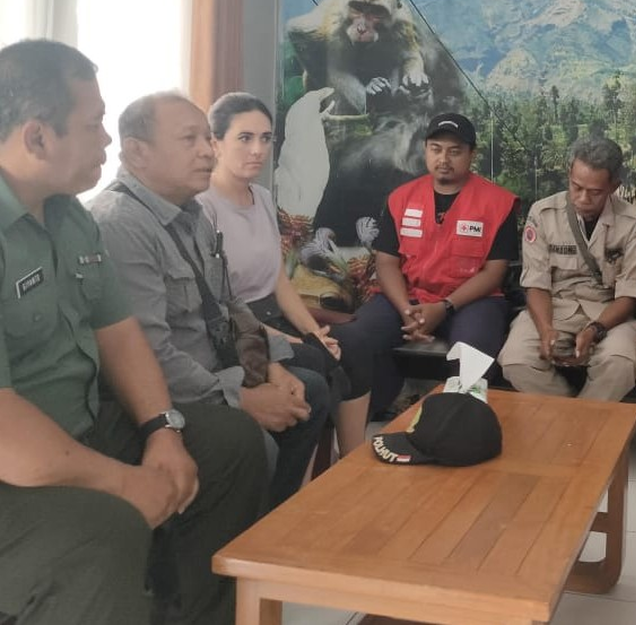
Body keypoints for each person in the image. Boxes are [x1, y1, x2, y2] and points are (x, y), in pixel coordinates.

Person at [0, 40, 267, 625]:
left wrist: (163, 432)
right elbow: (8, 436)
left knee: (229, 444)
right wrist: (124, 482)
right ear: (38, 137)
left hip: (85, 425)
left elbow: (120, 333)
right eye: (94, 125)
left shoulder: (70, 217)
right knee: (108, 526)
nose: (106, 141)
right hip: (15, 465)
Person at [89, 92, 330, 508]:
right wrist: (243, 398)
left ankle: (267, 524)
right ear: (137, 152)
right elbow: (149, 354)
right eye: (190, 140)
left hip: (215, 367)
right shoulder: (119, 225)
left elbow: (229, 304)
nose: (207, 152)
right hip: (170, 391)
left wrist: (271, 366)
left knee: (309, 391)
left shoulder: (190, 213)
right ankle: (235, 548)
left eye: (207, 139)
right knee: (253, 442)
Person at [199, 92, 374, 456]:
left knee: (354, 345)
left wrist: (312, 331)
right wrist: (292, 341)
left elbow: (279, 280)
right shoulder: (203, 207)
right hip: (237, 326)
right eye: (244, 138)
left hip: (274, 314)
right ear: (215, 143)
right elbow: (219, 306)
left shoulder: (263, 197)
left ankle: (352, 461)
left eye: (266, 139)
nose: (258, 150)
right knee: (315, 362)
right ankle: (303, 485)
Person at [358, 113, 520, 416]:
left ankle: (458, 425)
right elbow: (387, 262)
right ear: (425, 149)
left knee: (473, 350)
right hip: (407, 298)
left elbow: (494, 272)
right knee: (360, 335)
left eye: (455, 151)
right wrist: (407, 310)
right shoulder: (401, 198)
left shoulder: (497, 203)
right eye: (436, 148)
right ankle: (371, 413)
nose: (444, 158)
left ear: (472, 154)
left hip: (473, 300)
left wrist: (443, 308)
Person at [498, 136, 636, 399]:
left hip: (608, 313)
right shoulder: (543, 213)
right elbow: (536, 284)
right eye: (576, 186)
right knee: (515, 360)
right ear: (569, 174)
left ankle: (577, 426)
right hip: (553, 309)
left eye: (595, 192)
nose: (582, 198)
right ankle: (573, 421)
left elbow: (630, 296)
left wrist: (595, 330)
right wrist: (546, 330)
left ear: (614, 186)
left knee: (620, 363)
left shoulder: (634, 222)